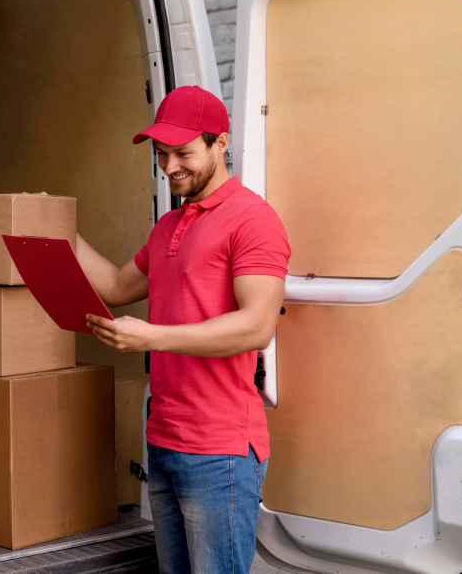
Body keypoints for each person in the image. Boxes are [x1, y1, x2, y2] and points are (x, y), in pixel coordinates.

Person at [76, 86, 291, 574]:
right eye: (161, 154)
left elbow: (257, 326)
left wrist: (152, 336)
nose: (169, 166)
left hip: (219, 451)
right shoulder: (169, 226)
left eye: (183, 153)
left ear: (220, 143)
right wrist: (59, 224)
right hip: (164, 439)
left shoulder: (253, 219)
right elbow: (114, 286)